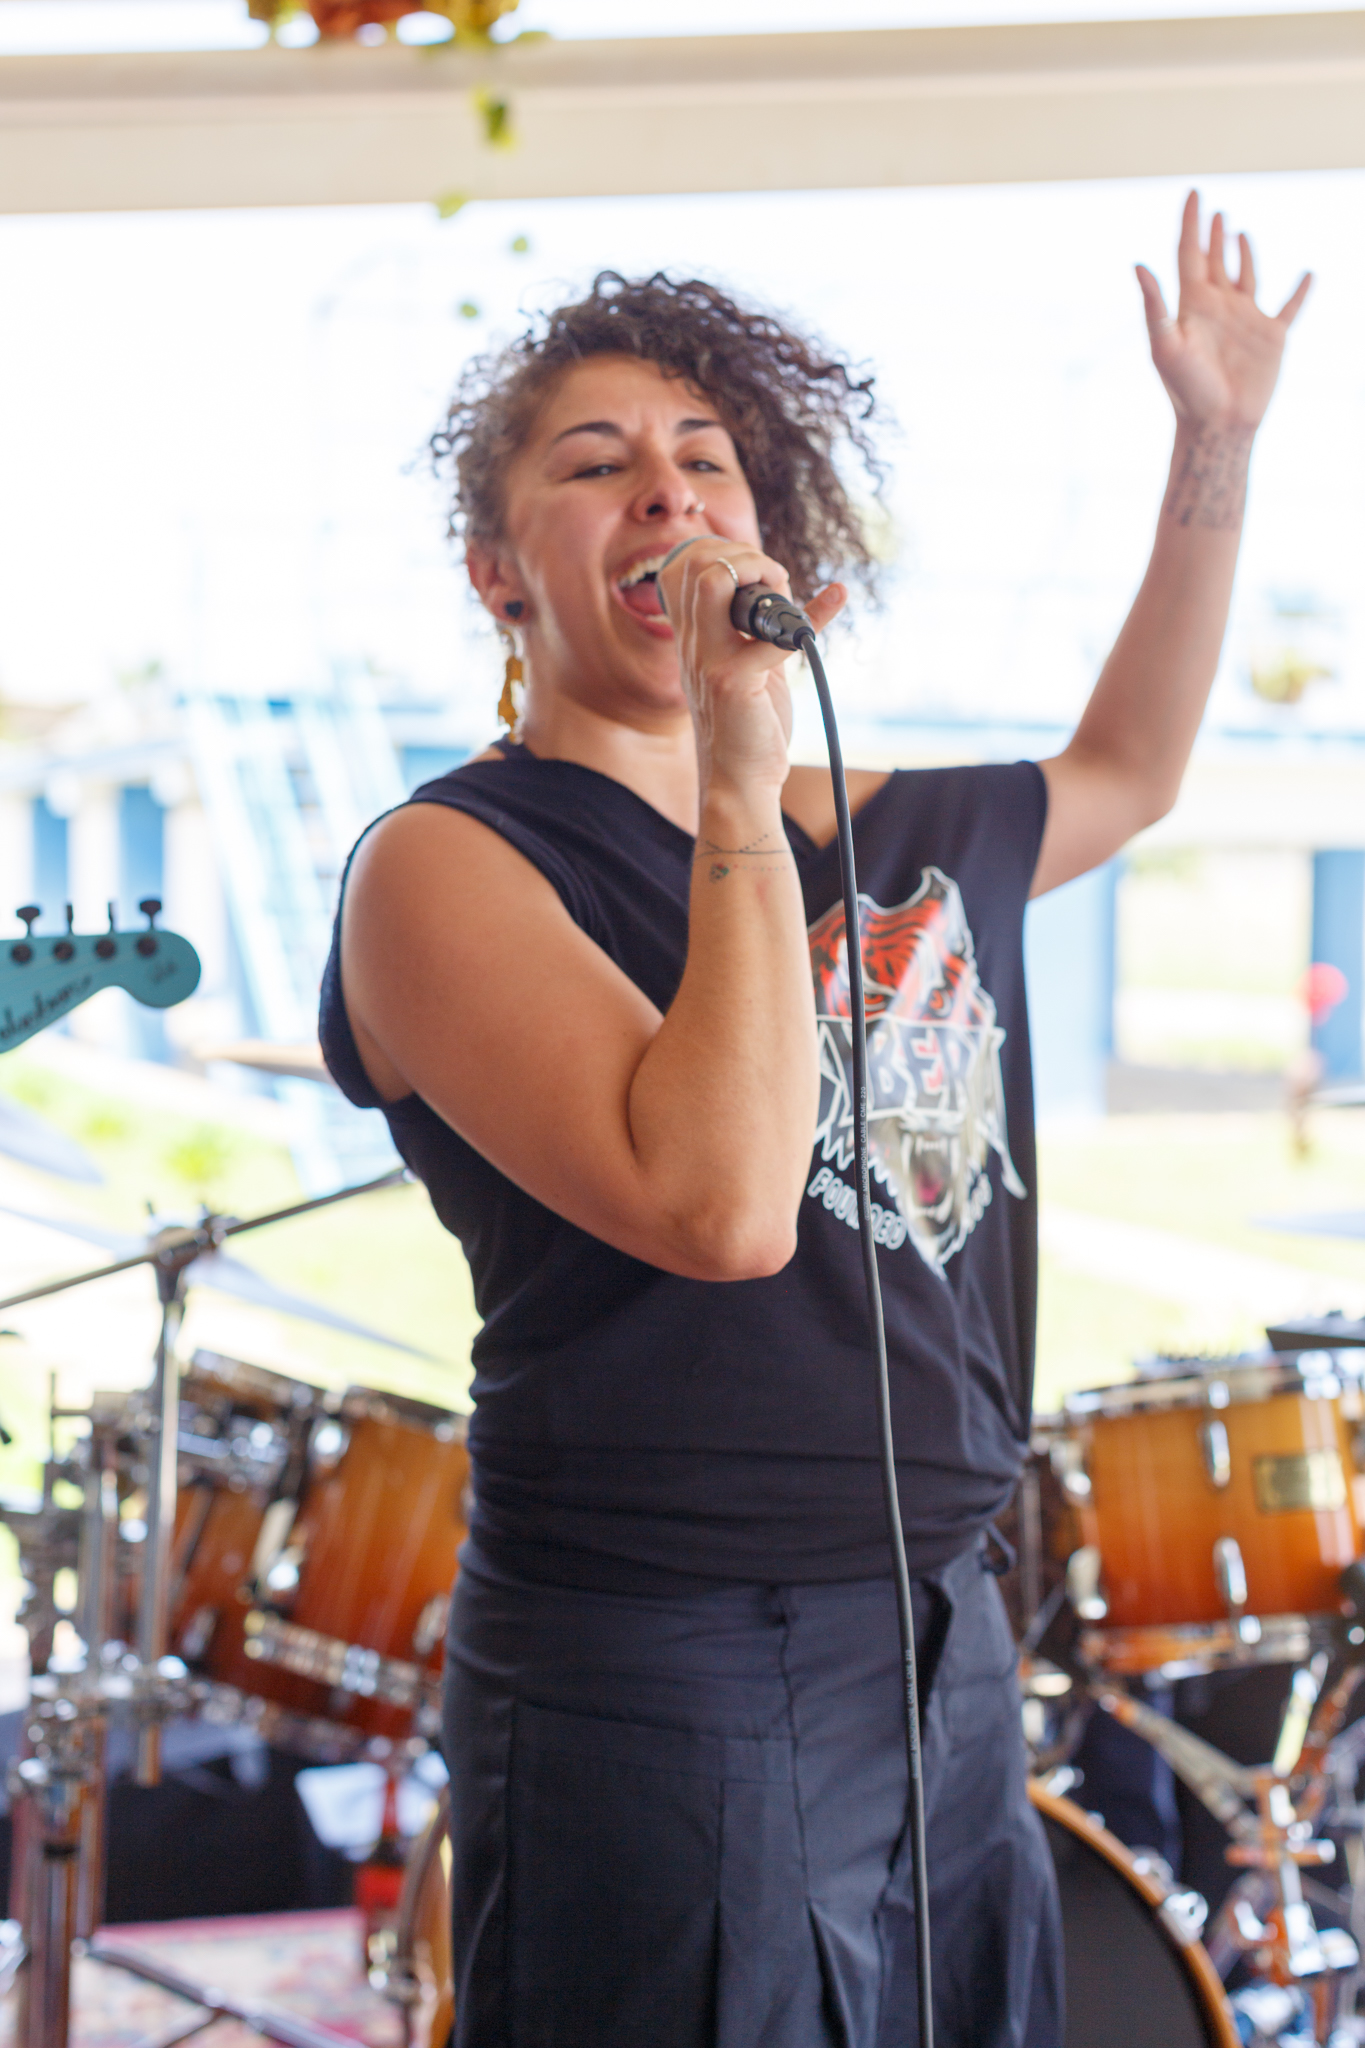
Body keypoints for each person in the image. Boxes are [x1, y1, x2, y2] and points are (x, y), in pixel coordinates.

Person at [318, 192, 1308, 2047]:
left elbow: (1127, 766)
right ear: (495, 573)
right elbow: (721, 1208)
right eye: (596, 464)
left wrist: (1217, 445)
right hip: (663, 1645)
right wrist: (735, 774)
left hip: (939, 1625)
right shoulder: (447, 864)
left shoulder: (894, 828)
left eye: (707, 461)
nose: (666, 492)